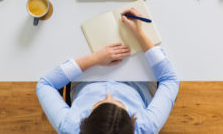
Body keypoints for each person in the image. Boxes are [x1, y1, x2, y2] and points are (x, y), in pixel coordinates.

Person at [36, 8, 179, 134]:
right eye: (119, 102)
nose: (109, 94)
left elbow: (45, 84)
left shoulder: (70, 126)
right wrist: (139, 34)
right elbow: (170, 80)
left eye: (101, 102)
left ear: (84, 121)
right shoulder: (147, 126)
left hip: (87, 76)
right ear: (132, 122)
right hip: (136, 80)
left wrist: (95, 58)